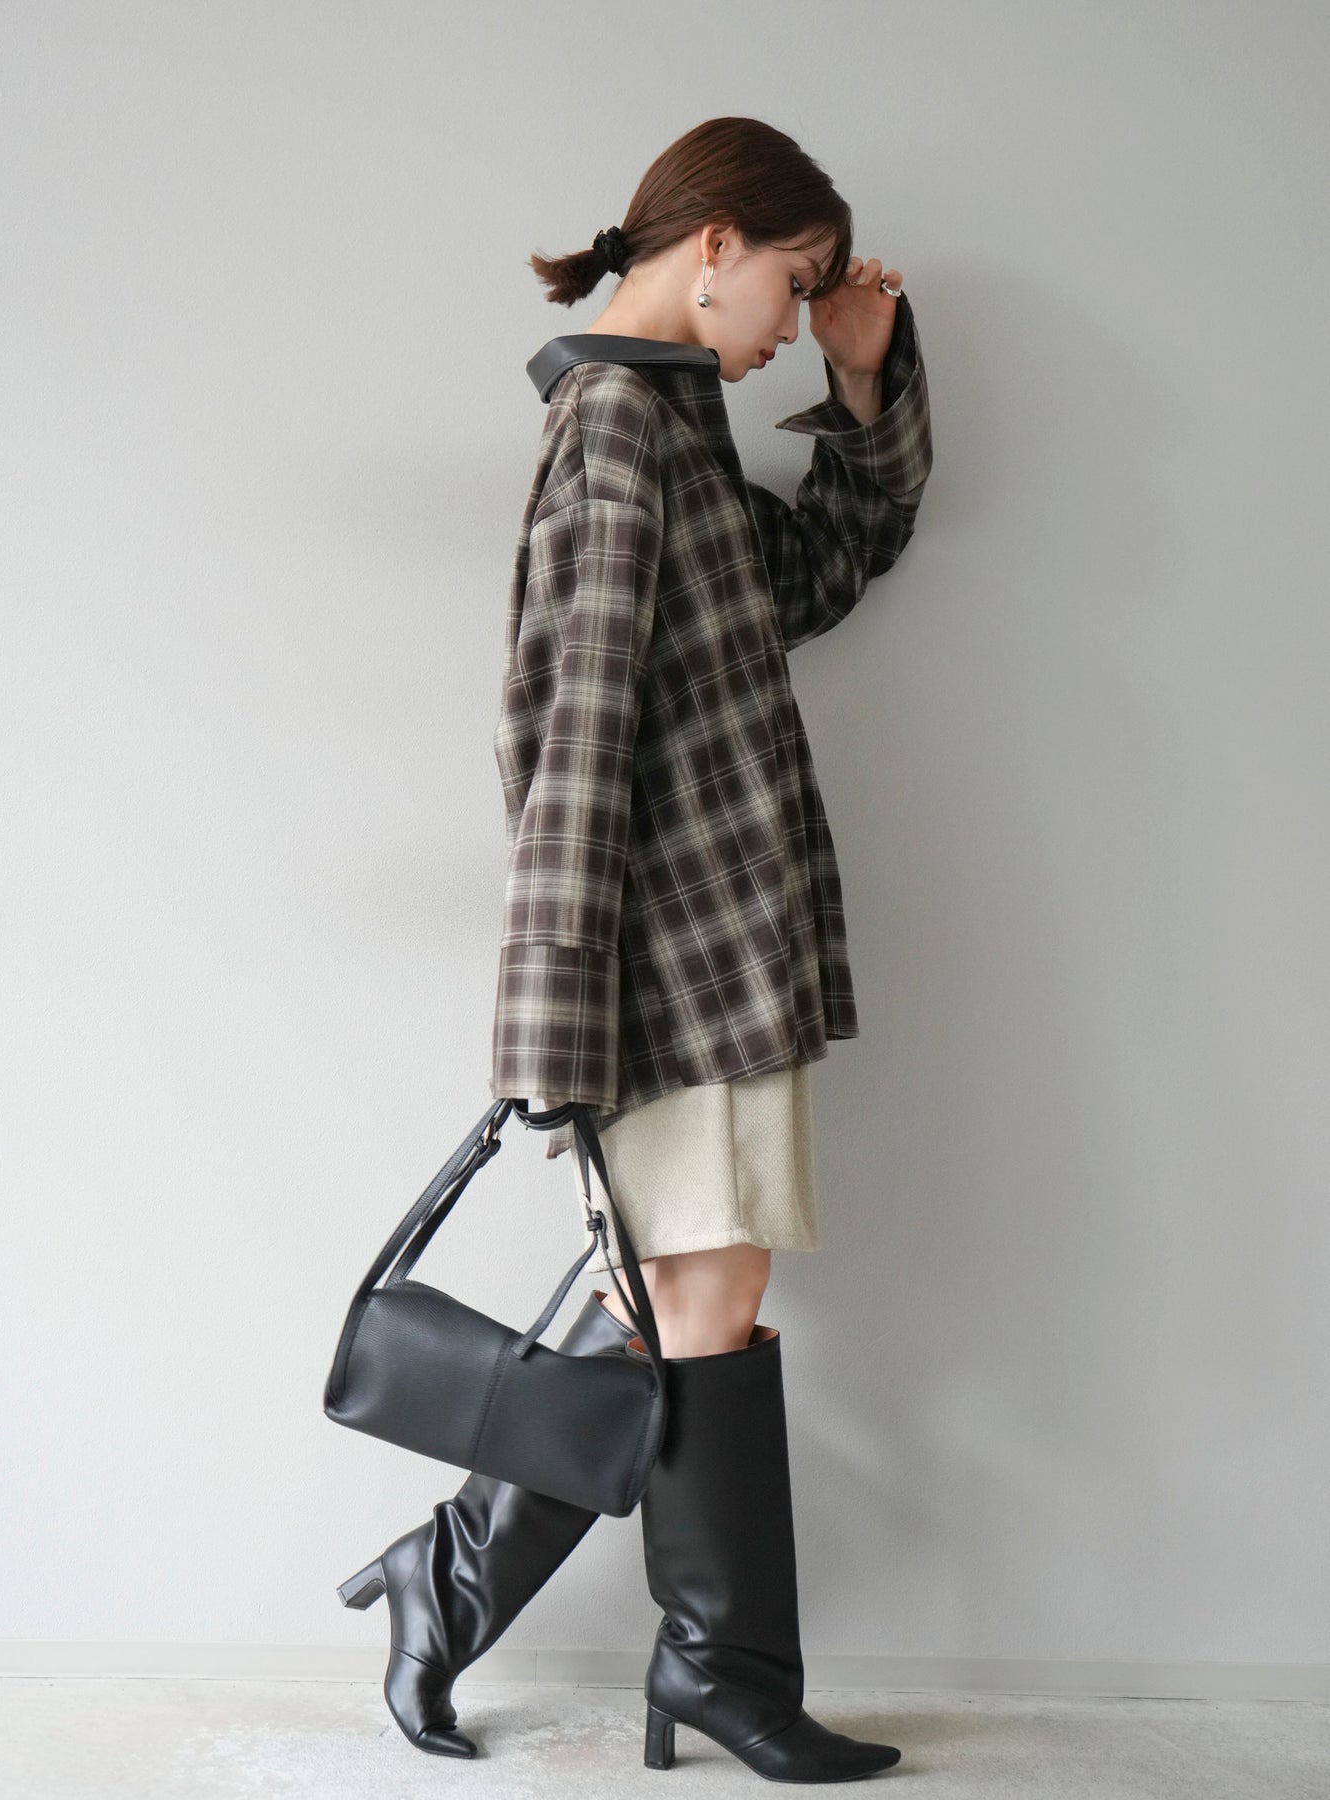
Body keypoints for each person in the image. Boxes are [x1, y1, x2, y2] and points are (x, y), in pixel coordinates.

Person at [338, 115, 934, 1780]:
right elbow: (565, 739)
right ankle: (710, 1668)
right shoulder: (615, 428)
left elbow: (820, 569)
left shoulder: (665, 428)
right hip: (677, 952)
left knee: (680, 1291)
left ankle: (468, 1586)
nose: (787, 325)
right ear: (714, 244)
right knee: (700, 1293)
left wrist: (865, 380)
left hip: (714, 944)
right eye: (793, 284)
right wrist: (551, 1029)